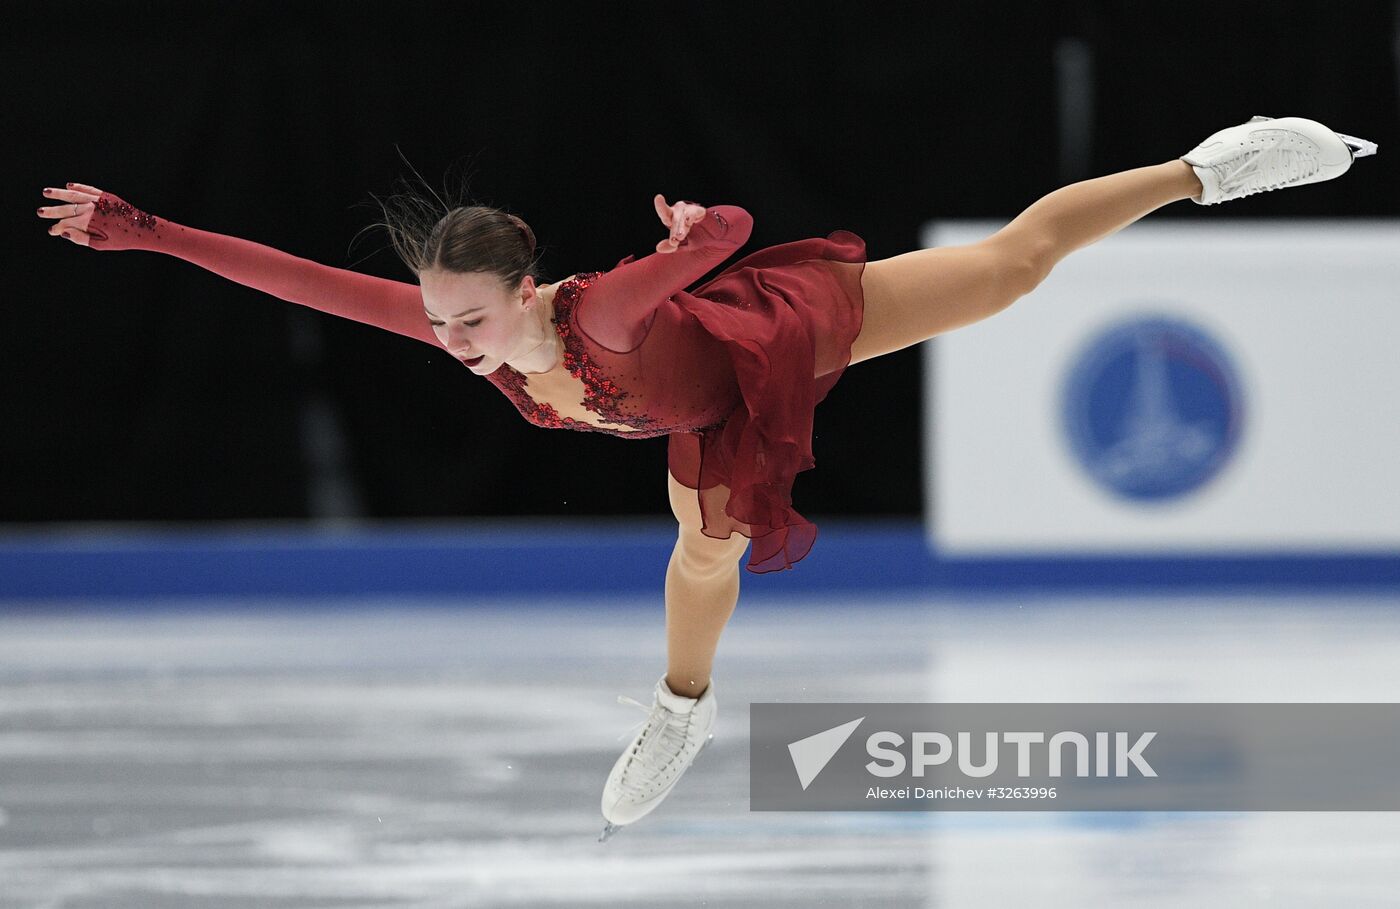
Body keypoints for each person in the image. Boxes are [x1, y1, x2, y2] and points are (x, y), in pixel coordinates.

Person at [37, 115, 1375, 841]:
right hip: (707, 404)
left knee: (1019, 270)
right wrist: (150, 233)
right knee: (706, 547)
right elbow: (307, 281)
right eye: (439, 321)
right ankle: (680, 707)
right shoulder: (451, 325)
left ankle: (1215, 165)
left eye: (472, 320)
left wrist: (701, 235)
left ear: (527, 285)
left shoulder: (602, 317)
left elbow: (731, 235)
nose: (451, 343)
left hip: (761, 333)